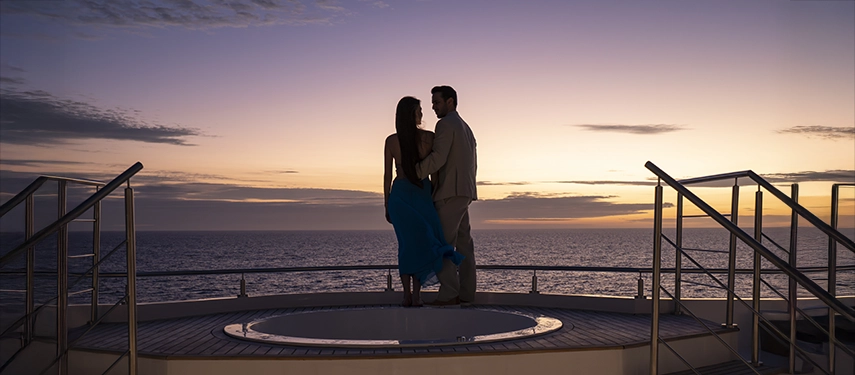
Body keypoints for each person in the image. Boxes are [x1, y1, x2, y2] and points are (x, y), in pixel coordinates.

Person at [384, 96, 464, 307]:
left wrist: (386, 204)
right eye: (419, 110)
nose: (422, 113)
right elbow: (435, 171)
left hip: (399, 196)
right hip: (421, 194)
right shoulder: (428, 137)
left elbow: (386, 176)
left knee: (407, 245)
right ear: (412, 114)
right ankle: (415, 295)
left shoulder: (391, 141)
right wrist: (435, 195)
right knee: (421, 243)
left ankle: (407, 295)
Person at [416, 86, 477, 307]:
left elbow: (438, 158)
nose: (433, 106)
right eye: (433, 103)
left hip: (450, 193)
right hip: (465, 192)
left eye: (437, 102)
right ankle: (467, 293)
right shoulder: (466, 128)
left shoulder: (445, 124)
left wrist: (414, 173)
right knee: (464, 245)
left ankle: (450, 292)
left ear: (450, 102)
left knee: (442, 243)